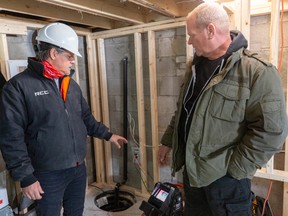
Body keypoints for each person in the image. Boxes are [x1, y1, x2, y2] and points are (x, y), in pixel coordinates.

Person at [158, 2, 288, 216]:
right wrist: (167, 140)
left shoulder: (255, 72)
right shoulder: (194, 68)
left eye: (192, 34)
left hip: (226, 182)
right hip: (192, 175)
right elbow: (183, 111)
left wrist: (236, 170)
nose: (189, 41)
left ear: (210, 30)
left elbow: (272, 131)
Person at [0, 22, 127, 216]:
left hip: (77, 169)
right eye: (69, 56)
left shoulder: (70, 85)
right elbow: (11, 136)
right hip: (47, 174)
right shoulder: (18, 87)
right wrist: (26, 177)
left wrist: (108, 135)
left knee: (75, 212)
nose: (73, 61)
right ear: (53, 53)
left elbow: (84, 117)